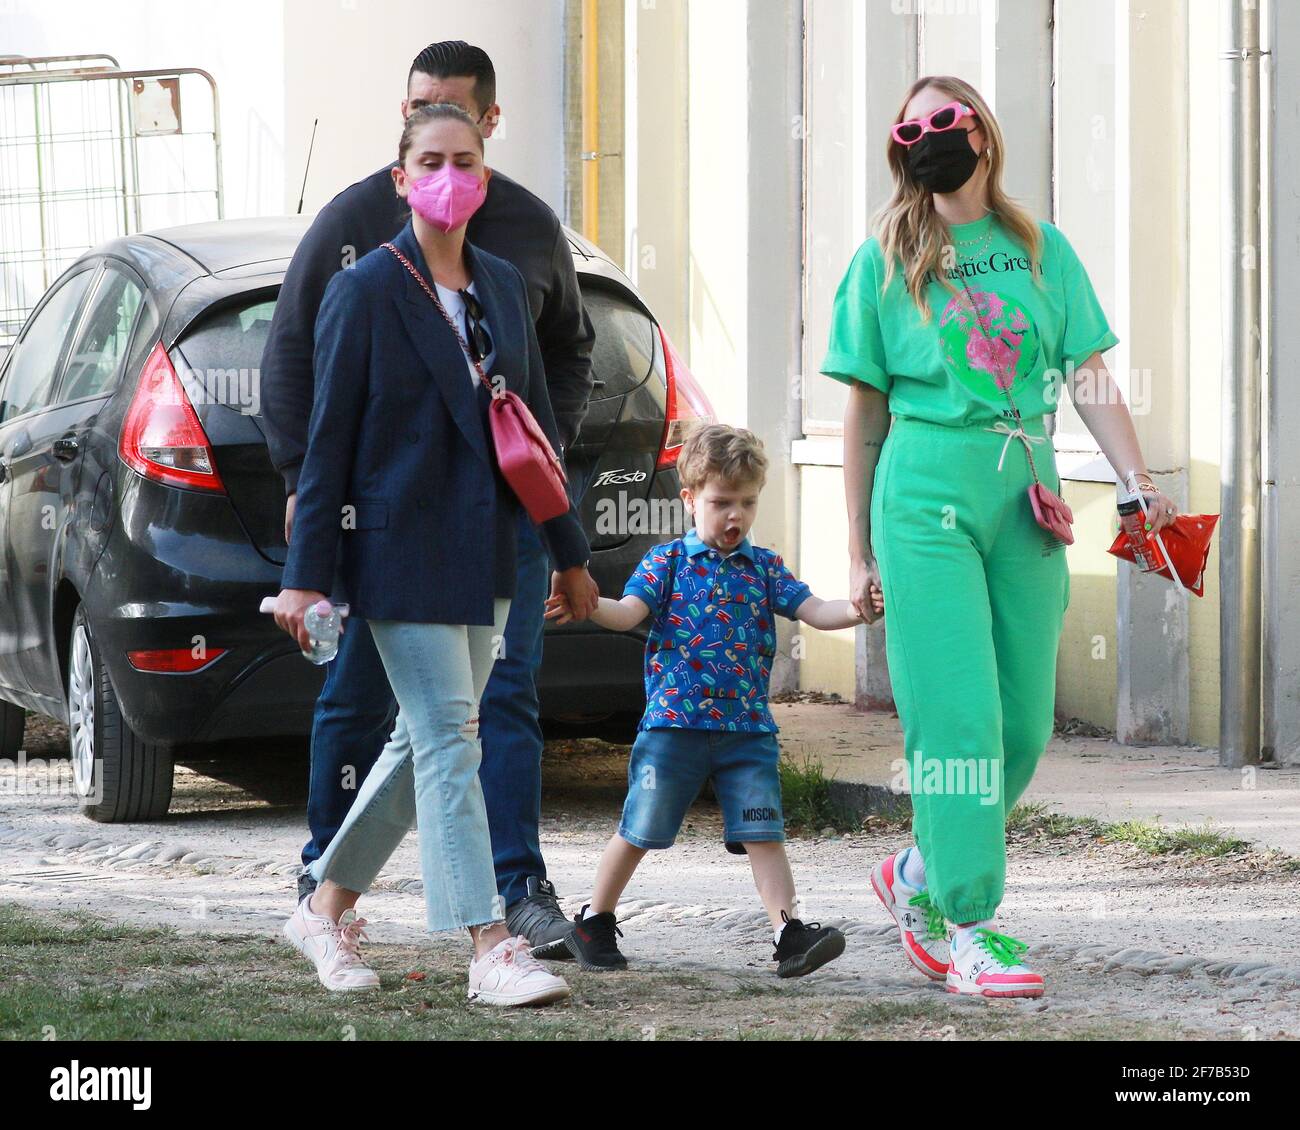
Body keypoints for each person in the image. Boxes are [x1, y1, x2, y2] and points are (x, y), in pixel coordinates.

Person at [821, 76, 1178, 998]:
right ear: (901, 148)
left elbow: (1089, 374)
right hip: (925, 489)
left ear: (984, 132)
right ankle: (969, 920)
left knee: (1020, 722)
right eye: (913, 127)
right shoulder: (884, 256)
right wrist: (857, 547)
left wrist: (1137, 483)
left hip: (1026, 490)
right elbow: (863, 409)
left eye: (949, 119)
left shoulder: (1038, 247)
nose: (931, 136)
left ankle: (916, 872)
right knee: (958, 717)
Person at [260, 41, 596, 957]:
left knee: (426, 739)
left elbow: (527, 433)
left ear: (487, 166)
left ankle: (321, 906)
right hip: (395, 545)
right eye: (429, 163)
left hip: (487, 543)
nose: (448, 178)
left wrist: (569, 554)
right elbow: (326, 438)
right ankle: (488, 945)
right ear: (401, 177)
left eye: (464, 163)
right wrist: (305, 574)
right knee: (449, 737)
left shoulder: (498, 281)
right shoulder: (364, 281)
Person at [546, 425, 869, 978]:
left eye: (747, 502)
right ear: (690, 498)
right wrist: (588, 602)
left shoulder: (765, 568)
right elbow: (626, 614)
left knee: (763, 831)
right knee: (639, 828)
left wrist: (859, 610)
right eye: (721, 503)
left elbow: (815, 610)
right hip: (674, 727)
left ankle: (789, 933)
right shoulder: (666, 562)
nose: (735, 516)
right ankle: (593, 921)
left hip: (747, 730)